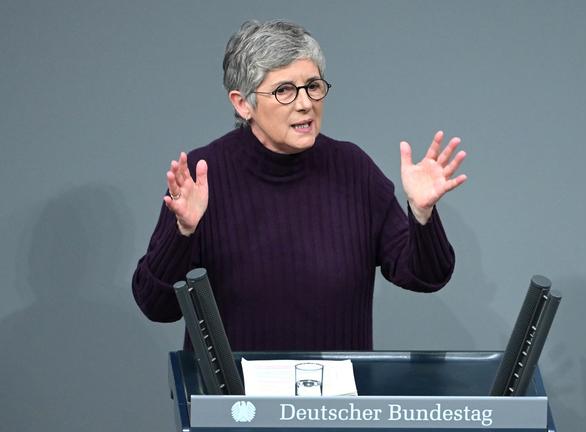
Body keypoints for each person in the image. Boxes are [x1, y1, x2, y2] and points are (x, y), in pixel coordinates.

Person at [132, 20, 467, 351]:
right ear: (242, 103)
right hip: (236, 401)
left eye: (313, 86)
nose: (305, 103)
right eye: (284, 90)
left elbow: (426, 276)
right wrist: (182, 233)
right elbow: (156, 306)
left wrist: (422, 216)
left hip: (333, 402)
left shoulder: (353, 169)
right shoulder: (203, 176)